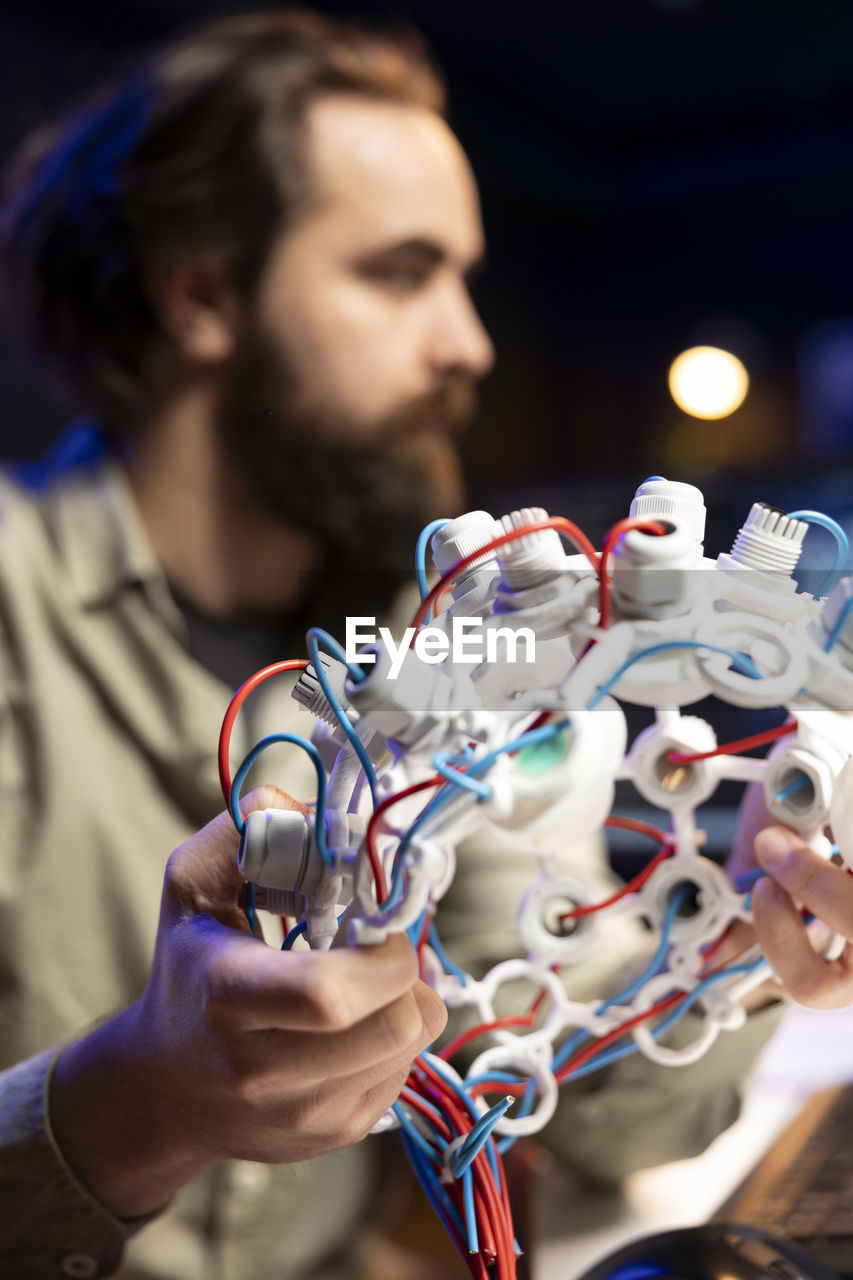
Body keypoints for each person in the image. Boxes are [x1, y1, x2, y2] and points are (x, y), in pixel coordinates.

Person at [0, 11, 791, 1279]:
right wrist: (128, 1104)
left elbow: (594, 1112)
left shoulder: (431, 665)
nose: (468, 344)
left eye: (467, 279)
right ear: (202, 292)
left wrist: (746, 929)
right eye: (399, 271)